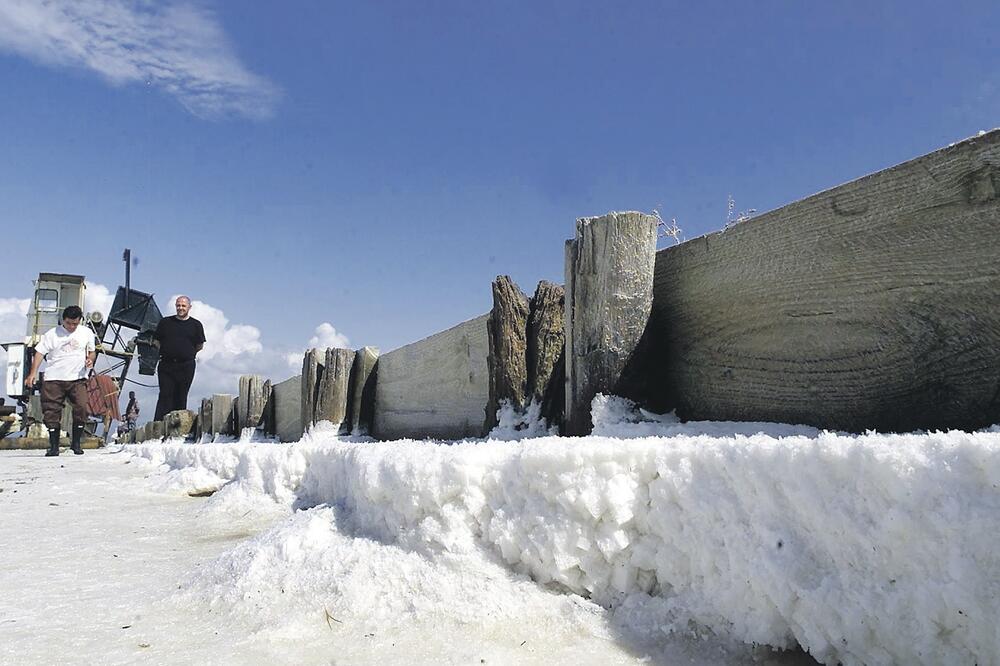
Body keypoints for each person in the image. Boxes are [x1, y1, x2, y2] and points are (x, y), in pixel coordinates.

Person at [25, 305, 96, 456]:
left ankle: (76, 444)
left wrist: (90, 360)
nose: (71, 327)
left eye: (75, 324)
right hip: (54, 379)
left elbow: (92, 352)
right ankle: (54, 446)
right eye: (69, 323)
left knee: (82, 407)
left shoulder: (87, 333)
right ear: (63, 320)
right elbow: (39, 353)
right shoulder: (52, 334)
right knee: (51, 411)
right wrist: (32, 374)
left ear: (80, 321)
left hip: (77, 378)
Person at [153, 295, 205, 421]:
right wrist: (167, 352)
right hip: (166, 365)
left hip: (186, 366)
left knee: (181, 396)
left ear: (189, 307)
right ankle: (159, 427)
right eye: (178, 305)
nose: (180, 308)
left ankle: (178, 427)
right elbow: (156, 341)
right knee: (165, 395)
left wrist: (186, 353)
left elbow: (199, 345)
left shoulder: (196, 325)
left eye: (183, 306)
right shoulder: (165, 322)